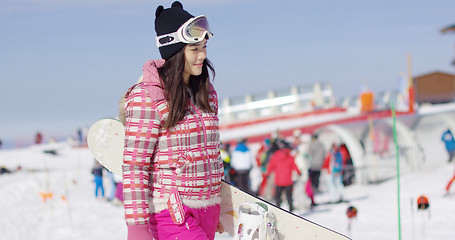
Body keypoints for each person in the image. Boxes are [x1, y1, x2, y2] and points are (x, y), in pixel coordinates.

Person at [120, 2, 223, 239]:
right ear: (175, 51)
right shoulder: (147, 96)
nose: (203, 55)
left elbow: (212, 154)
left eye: (204, 47)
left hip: (209, 209)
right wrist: (137, 227)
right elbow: (135, 166)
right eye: (195, 49)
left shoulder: (206, 93)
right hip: (171, 212)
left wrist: (224, 205)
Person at [265, 144, 301, 212]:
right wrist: (299, 172)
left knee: (278, 197)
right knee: (289, 197)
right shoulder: (290, 156)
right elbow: (294, 166)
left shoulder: (276, 155)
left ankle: (278, 210)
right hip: (288, 181)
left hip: (278, 181)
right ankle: (291, 210)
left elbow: (271, 165)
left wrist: (268, 173)